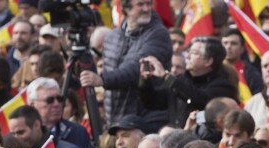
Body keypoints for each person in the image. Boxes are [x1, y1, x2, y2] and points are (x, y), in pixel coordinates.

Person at [81, 0, 172, 130]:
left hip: (147, 119)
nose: (146, 9)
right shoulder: (112, 36)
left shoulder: (158, 34)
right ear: (125, 8)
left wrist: (102, 79)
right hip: (115, 119)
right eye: (140, 5)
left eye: (148, 4)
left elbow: (139, 68)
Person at [140, 36, 239, 128]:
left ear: (208, 61)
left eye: (194, 53)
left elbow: (198, 98)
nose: (187, 57)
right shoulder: (182, 80)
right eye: (189, 52)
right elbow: (153, 102)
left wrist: (166, 76)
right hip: (176, 138)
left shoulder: (223, 86)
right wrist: (145, 80)